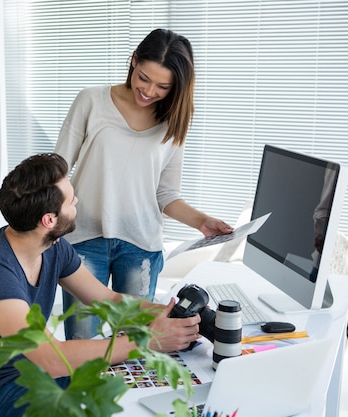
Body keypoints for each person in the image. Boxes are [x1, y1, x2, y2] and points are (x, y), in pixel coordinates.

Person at [0, 153, 202, 417]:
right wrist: (148, 340)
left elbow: (107, 299)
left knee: (138, 389)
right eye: (70, 199)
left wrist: (161, 313)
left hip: (34, 375)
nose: (77, 200)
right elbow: (50, 359)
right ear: (49, 220)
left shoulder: (52, 247)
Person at [54, 28, 233, 340]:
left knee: (137, 343)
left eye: (163, 86)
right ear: (133, 61)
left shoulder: (174, 120)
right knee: (83, 347)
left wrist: (201, 221)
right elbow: (57, 170)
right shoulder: (91, 101)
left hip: (141, 246)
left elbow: (166, 194)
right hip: (83, 239)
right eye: (144, 78)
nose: (149, 91)